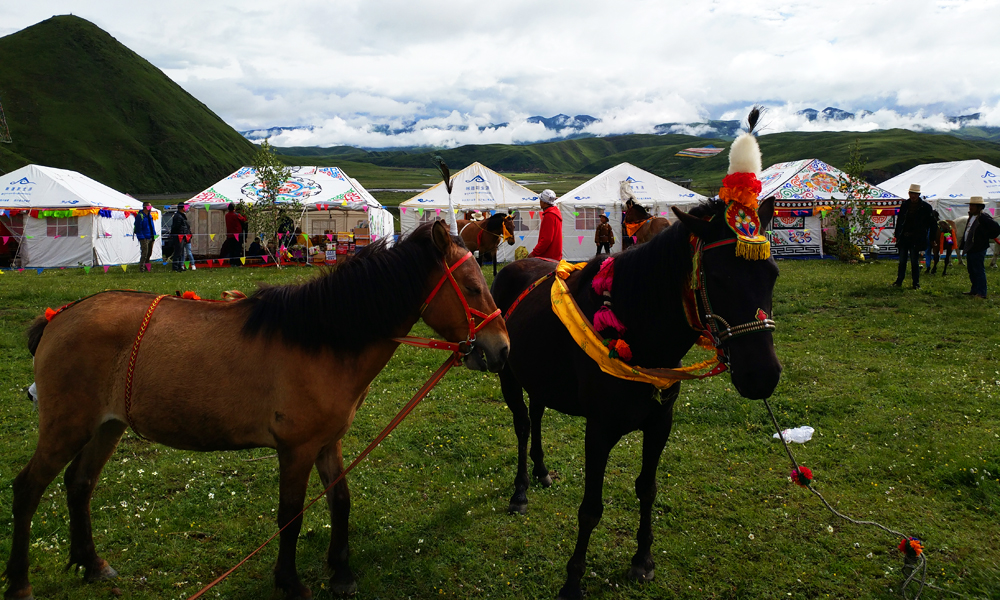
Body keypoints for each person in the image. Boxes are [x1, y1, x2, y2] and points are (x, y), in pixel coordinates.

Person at [891, 184, 936, 289]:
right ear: (909, 194)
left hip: (916, 238)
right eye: (911, 193)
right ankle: (899, 281)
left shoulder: (926, 207)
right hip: (904, 237)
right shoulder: (905, 205)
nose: (913, 196)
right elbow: (900, 221)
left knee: (914, 261)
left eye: (915, 194)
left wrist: (932, 238)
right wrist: (897, 234)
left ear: (918, 194)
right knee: (902, 261)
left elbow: (932, 223)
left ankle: (916, 283)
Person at [960, 196, 1000, 298]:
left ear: (979, 207)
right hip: (971, 247)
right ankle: (974, 290)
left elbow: (996, 228)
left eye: (973, 205)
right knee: (972, 270)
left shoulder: (983, 217)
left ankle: (982, 292)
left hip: (978, 247)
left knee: (978, 270)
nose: (970, 207)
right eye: (970, 205)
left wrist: (986, 236)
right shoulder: (972, 216)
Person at [529, 189, 562, 260]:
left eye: (541, 200)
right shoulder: (556, 212)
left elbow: (547, 239)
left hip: (548, 257)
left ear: (544, 202)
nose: (540, 202)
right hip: (555, 255)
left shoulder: (549, 216)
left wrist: (534, 253)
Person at [133, 202, 156, 272]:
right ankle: (142, 268)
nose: (151, 208)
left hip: (151, 236)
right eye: (149, 206)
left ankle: (147, 267)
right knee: (144, 253)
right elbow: (138, 227)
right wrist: (141, 237)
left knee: (149, 253)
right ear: (146, 207)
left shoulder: (149, 215)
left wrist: (154, 235)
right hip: (144, 237)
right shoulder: (140, 216)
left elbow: (152, 226)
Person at [170, 203, 194, 272]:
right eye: (185, 207)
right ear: (182, 208)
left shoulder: (182, 215)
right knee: (178, 252)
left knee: (181, 253)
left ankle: (180, 266)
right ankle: (175, 267)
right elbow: (176, 227)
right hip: (179, 236)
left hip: (183, 236)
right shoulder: (178, 216)